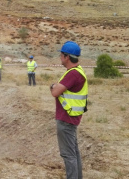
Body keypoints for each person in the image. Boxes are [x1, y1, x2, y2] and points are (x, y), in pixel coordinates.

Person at [50, 41, 88, 179]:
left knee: (68, 154)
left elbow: (55, 92)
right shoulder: (78, 71)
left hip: (66, 119)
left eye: (61, 55)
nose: (60, 57)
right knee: (74, 153)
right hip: (71, 118)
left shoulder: (73, 74)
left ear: (67, 57)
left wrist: (53, 86)